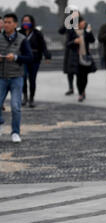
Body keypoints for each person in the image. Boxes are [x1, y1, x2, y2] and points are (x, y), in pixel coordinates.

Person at [0, 13, 33, 143]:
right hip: (1, 77)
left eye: (9, 22)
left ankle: (15, 132)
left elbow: (30, 58)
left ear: (15, 24)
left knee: (15, 106)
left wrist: (16, 57)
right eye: (5, 22)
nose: (6, 25)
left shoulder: (22, 39)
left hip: (16, 77)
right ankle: (1, 123)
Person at [19, 15, 51, 108]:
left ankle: (31, 99)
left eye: (27, 21)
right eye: (24, 21)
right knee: (23, 78)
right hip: (23, 58)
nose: (25, 22)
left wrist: (47, 56)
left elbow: (43, 45)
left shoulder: (37, 33)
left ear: (32, 22)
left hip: (35, 59)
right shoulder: (19, 33)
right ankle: (25, 97)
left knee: (32, 79)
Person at [66, 17, 96, 102]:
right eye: (82, 22)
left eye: (84, 22)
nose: (84, 24)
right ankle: (80, 93)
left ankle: (83, 90)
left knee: (85, 77)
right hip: (76, 58)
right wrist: (74, 42)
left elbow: (92, 41)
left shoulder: (86, 32)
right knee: (79, 77)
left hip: (85, 57)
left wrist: (89, 32)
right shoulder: (72, 32)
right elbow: (67, 44)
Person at [58, 10, 80, 96]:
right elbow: (60, 31)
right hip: (70, 49)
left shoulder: (80, 24)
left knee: (79, 71)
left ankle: (80, 88)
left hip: (79, 49)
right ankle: (70, 87)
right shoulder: (68, 25)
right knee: (69, 71)